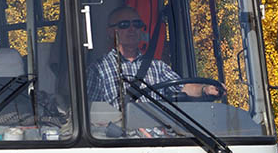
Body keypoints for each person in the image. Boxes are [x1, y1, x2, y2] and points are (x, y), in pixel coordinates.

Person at [86, 6, 218, 105]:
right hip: (123, 140)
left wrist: (205, 89)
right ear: (110, 32)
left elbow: (183, 88)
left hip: (157, 137)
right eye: (124, 25)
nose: (132, 29)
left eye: (137, 24)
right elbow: (92, 113)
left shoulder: (157, 66)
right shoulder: (98, 69)